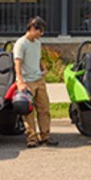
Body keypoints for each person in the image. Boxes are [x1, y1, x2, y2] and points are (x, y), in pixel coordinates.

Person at [13, 16, 54, 148]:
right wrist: (20, 81)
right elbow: (17, 63)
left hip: (39, 79)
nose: (41, 34)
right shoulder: (21, 44)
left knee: (44, 109)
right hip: (27, 82)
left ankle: (45, 136)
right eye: (39, 31)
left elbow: (38, 57)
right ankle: (32, 138)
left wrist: (43, 68)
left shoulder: (37, 43)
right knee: (28, 112)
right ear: (32, 28)